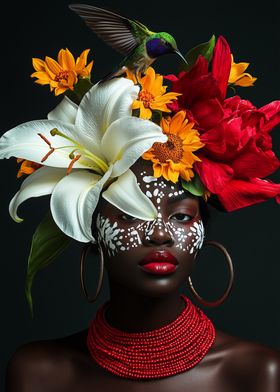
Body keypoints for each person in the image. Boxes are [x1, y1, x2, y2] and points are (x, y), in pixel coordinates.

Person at [1, 8, 280, 391]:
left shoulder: (256, 373)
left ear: (203, 231)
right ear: (91, 231)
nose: (160, 234)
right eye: (130, 215)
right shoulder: (38, 374)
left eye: (181, 217)